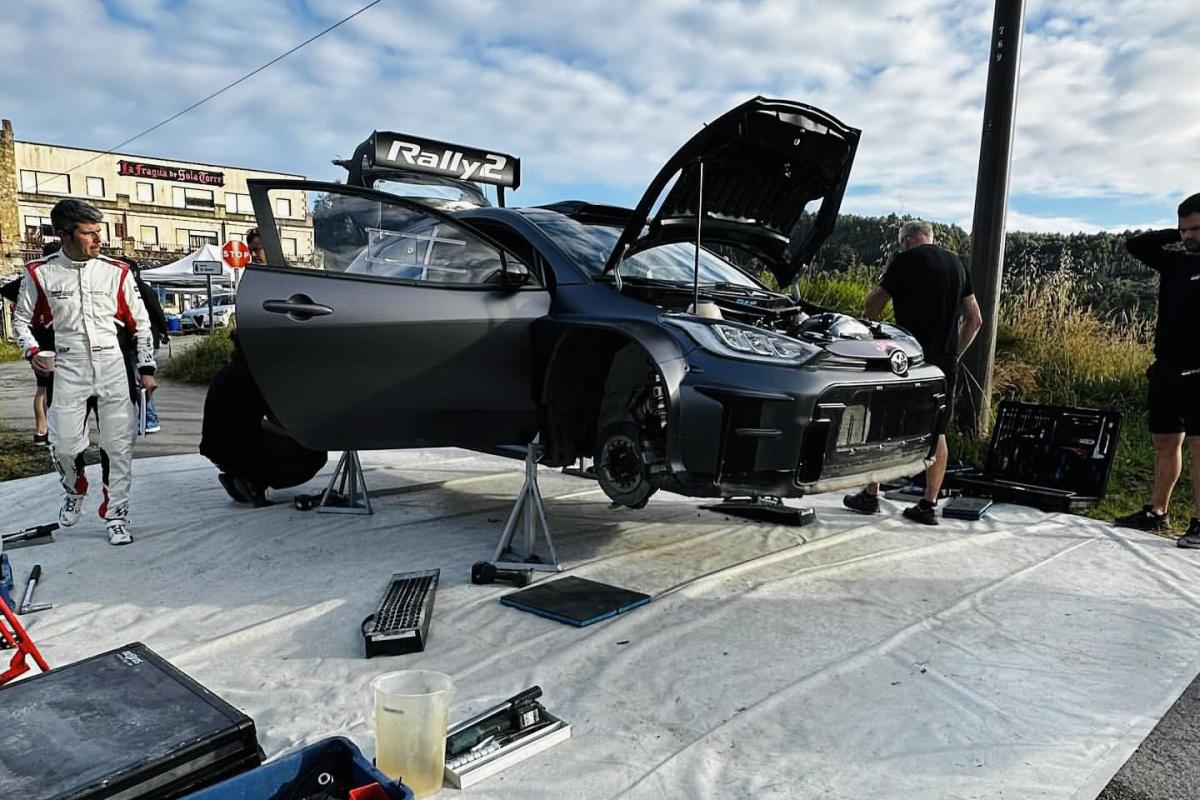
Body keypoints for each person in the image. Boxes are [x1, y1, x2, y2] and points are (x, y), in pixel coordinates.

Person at [12, 199, 156, 546]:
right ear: (63, 234)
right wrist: (33, 352)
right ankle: (75, 488)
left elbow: (142, 323)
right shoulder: (39, 273)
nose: (98, 240)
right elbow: (20, 321)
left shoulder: (117, 271)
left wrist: (146, 368)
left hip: (112, 367)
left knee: (118, 446)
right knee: (63, 445)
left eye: (98, 232)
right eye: (89, 233)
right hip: (67, 367)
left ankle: (116, 514)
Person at [843, 219, 983, 525]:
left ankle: (870, 494)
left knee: (882, 420)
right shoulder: (958, 265)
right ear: (930, 238)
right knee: (938, 429)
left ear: (906, 241)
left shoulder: (904, 261)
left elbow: (872, 306)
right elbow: (975, 319)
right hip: (943, 362)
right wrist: (954, 353)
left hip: (905, 357)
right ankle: (928, 504)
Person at [1113, 193, 1200, 547]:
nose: (1188, 236)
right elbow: (1136, 244)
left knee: (1199, 445)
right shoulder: (1175, 260)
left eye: (1195, 229)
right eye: (1183, 229)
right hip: (1166, 365)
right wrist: (1177, 236)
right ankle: (1157, 513)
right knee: (1165, 440)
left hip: (1199, 369)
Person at [200, 331, 326, 506]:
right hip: (238, 448)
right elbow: (279, 420)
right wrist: (298, 438)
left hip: (216, 449)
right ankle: (253, 482)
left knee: (281, 443)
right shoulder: (258, 377)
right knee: (315, 454)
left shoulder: (228, 372)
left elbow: (252, 421)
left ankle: (239, 478)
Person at [1, 241, 59, 445]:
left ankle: (41, 430)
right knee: (48, 388)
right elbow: (8, 289)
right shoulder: (39, 276)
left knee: (43, 388)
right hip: (43, 339)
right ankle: (46, 429)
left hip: (39, 337)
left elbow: (7, 290)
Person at [122, 257, 169, 434]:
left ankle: (150, 418)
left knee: (140, 381)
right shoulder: (126, 289)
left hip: (145, 341)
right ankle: (142, 417)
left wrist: (164, 332)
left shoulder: (143, 290)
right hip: (130, 342)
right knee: (132, 382)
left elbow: (157, 312)